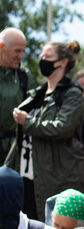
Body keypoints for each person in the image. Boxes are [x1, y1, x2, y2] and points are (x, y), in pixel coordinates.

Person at [7, 40, 84, 221]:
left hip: (57, 179)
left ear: (62, 62)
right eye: (41, 56)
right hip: (29, 176)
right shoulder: (37, 94)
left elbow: (63, 127)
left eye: (47, 56)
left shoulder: (72, 93)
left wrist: (27, 121)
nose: (42, 60)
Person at [0, 28, 30, 164]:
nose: (21, 57)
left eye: (23, 51)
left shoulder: (24, 77)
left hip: (15, 153)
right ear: (1, 47)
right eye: (17, 51)